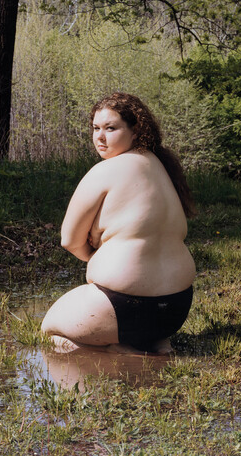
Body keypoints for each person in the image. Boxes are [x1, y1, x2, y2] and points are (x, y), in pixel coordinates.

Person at [41, 92, 197, 354]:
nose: (100, 137)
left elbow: (68, 240)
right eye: (96, 128)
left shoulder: (105, 170)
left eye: (110, 128)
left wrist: (95, 256)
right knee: (140, 327)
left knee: (49, 329)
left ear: (136, 130)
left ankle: (119, 351)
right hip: (176, 309)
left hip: (123, 307)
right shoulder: (163, 168)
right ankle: (153, 344)